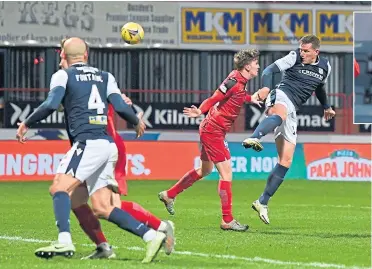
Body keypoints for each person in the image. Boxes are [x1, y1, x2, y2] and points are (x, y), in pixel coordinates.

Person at [16, 37, 168, 263]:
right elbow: (121, 106)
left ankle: (64, 240)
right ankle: (149, 236)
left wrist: (26, 122)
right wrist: (136, 122)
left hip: (87, 143)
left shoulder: (63, 75)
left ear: (63, 56)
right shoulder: (106, 76)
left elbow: (50, 104)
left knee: (59, 187)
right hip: (107, 145)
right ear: (86, 55)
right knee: (100, 206)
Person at [56, 38, 175, 260]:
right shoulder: (83, 81)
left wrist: (127, 108)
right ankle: (104, 246)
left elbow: (117, 103)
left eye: (62, 52)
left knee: (108, 205)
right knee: (79, 200)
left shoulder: (86, 80)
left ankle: (158, 228)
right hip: (92, 147)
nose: (61, 57)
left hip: (104, 146)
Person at [158, 49, 262, 231]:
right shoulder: (234, 81)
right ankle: (227, 220)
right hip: (213, 130)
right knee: (227, 174)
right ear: (247, 66)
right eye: (255, 63)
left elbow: (236, 95)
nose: (258, 66)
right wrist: (200, 110)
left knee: (205, 170)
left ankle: (169, 194)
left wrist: (250, 98)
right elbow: (215, 97)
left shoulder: (239, 80)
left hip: (213, 129)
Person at [241, 35, 336, 224]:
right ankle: (254, 137)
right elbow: (269, 70)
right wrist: (267, 88)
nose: (302, 53)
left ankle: (262, 202)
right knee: (280, 114)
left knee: (286, 160)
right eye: (301, 49)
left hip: (293, 109)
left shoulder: (326, 67)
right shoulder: (293, 57)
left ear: (316, 52)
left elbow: (319, 88)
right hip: (282, 95)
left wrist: (326, 106)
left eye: (306, 51)